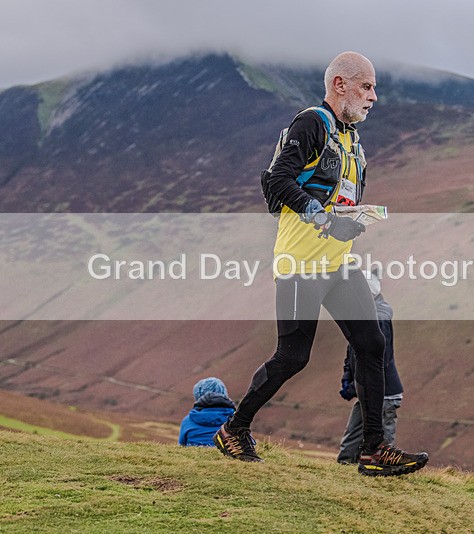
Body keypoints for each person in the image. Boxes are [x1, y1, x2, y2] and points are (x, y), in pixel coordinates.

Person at [214, 51, 428, 477]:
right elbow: (278, 179)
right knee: (293, 356)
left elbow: (336, 199)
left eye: (374, 88)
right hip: (300, 263)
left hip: (338, 263)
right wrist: (323, 218)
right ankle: (233, 430)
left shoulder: (351, 138)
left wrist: (350, 223)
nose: (374, 97)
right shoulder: (313, 122)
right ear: (340, 85)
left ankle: (373, 449)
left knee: (372, 345)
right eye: (366, 87)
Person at [337, 269, 403, 464]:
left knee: (380, 438)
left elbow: (378, 360)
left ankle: (384, 467)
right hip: (367, 388)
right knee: (354, 433)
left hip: (384, 392)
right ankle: (345, 465)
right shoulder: (363, 314)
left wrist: (355, 382)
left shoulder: (378, 319)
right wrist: (349, 378)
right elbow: (353, 350)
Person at [179, 377, 235, 447]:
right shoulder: (237, 419)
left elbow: (181, 446)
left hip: (194, 457)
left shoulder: (188, 421)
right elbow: (250, 444)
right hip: (229, 456)